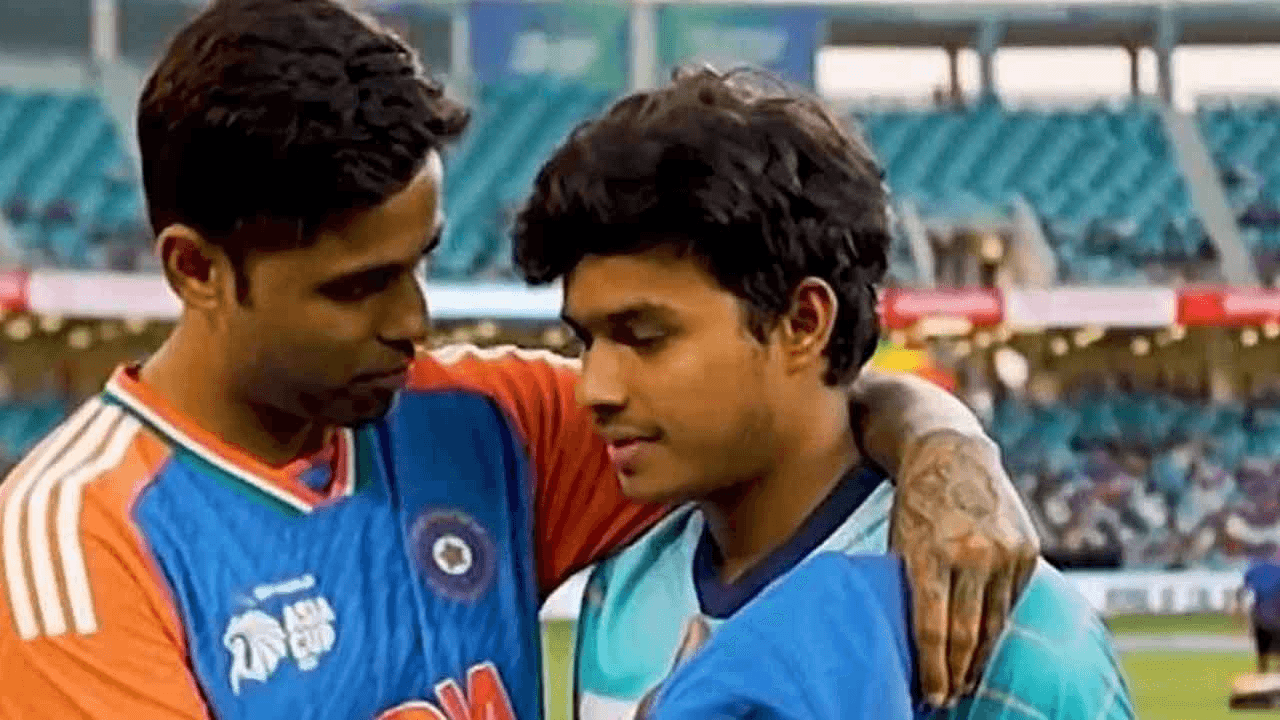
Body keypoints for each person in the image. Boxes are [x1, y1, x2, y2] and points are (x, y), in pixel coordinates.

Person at [0, 3, 1036, 718]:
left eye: (420, 262)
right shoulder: (82, 543)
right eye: (357, 288)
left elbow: (782, 398)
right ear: (196, 269)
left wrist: (945, 446)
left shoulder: (482, 423)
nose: (412, 321)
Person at [512, 67, 1135, 719]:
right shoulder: (623, 586)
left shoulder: (1002, 630)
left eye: (645, 338)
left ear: (804, 322)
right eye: (586, 341)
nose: (594, 388)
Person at [1242, 554, 1280, 673]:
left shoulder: (1253, 571)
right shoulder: (1275, 570)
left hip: (1261, 615)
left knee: (1262, 644)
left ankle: (1263, 668)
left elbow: (1245, 591)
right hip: (1273, 614)